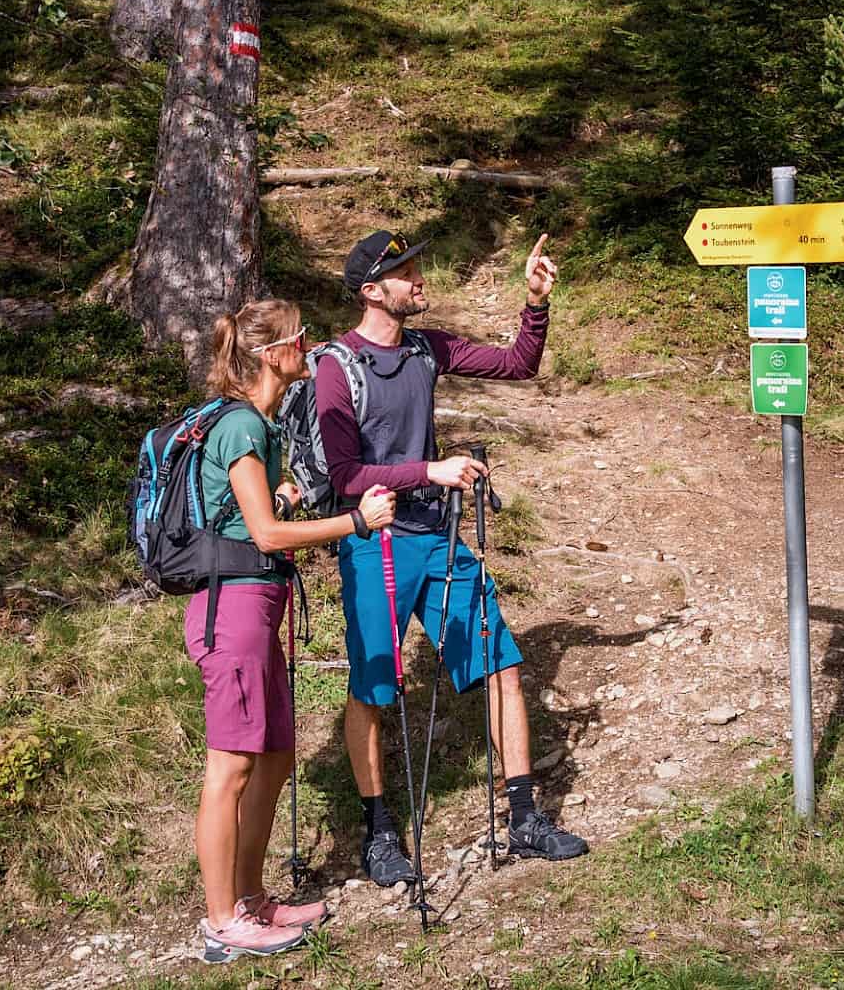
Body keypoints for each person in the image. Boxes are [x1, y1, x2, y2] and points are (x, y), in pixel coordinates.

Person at [315, 230, 590, 888]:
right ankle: (380, 831)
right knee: (372, 691)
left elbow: (518, 364)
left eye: (415, 266)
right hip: (373, 542)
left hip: (440, 541)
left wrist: (536, 302)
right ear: (371, 291)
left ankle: (525, 819)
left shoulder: (424, 348)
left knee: (501, 664)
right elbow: (345, 473)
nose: (419, 277)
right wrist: (429, 471)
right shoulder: (337, 367)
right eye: (405, 271)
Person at [187, 299, 397, 961]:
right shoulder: (243, 424)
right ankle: (222, 920)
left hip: (259, 605)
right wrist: (356, 522)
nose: (308, 346)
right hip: (235, 610)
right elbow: (266, 534)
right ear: (275, 354)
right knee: (231, 767)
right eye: (301, 338)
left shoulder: (258, 424)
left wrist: (288, 493)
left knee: (275, 757)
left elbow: (256, 511)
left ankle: (250, 897)